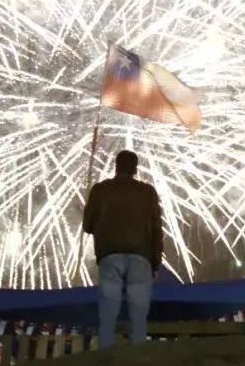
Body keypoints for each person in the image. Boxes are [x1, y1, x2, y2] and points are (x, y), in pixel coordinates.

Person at [82, 149, 163, 348]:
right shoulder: (147, 191)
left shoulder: (100, 190)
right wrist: (155, 264)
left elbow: (87, 225)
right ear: (135, 169)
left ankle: (106, 358)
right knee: (138, 319)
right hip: (141, 258)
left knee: (108, 317)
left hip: (109, 255)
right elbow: (156, 229)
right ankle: (137, 359)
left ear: (115, 166)